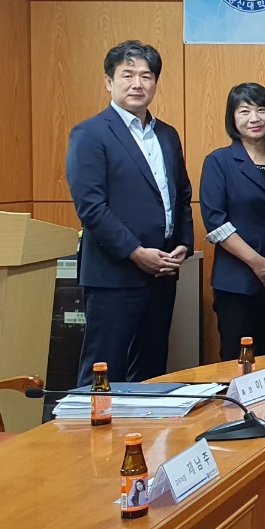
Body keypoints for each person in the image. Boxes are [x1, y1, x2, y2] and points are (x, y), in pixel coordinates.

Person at [66, 40, 193, 385]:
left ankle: (143, 424)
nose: (137, 83)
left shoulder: (167, 134)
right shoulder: (90, 133)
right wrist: (136, 253)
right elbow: (91, 207)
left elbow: (181, 195)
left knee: (151, 370)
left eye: (146, 76)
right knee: (104, 371)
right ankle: (93, 424)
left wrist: (183, 243)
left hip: (162, 272)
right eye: (128, 75)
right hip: (114, 275)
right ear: (109, 81)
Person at [200, 83, 265, 360]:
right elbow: (216, 222)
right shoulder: (220, 161)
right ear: (232, 117)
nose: (254, 118)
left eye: (261, 110)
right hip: (238, 281)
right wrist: (257, 262)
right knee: (238, 362)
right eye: (244, 111)